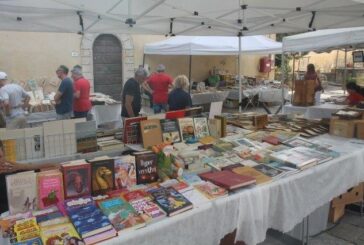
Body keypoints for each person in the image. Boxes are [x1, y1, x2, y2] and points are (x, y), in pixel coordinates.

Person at [0, 140, 58, 213]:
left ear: (4, 156)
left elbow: (55, 167)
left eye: (0, 157)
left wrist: (23, 166)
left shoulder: (12, 170)